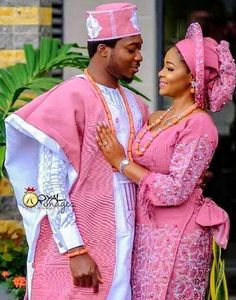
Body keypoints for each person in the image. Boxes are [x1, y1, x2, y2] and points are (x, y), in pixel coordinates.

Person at [4, 3, 149, 300]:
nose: (139, 57)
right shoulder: (69, 98)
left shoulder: (136, 104)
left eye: (139, 49)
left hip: (130, 246)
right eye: (131, 49)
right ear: (103, 50)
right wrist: (74, 249)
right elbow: (50, 184)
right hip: (85, 247)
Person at [96, 22, 236, 299]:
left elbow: (175, 190)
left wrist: (122, 163)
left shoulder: (199, 126)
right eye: (163, 66)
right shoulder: (158, 118)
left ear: (192, 78)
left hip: (178, 238)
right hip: (146, 232)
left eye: (170, 69)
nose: (160, 73)